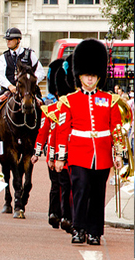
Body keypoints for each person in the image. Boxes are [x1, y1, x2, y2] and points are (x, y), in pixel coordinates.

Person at [55, 39, 124, 245]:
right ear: (80, 76)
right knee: (81, 189)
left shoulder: (110, 100)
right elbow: (62, 130)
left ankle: (95, 232)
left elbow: (117, 131)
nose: (90, 78)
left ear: (98, 76)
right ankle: (79, 228)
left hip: (101, 154)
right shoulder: (69, 101)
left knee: (97, 193)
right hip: (78, 153)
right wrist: (60, 156)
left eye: (93, 75)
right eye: (86, 75)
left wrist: (118, 154)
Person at [31, 57, 76, 233]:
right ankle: (54, 213)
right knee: (56, 185)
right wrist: (37, 153)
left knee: (65, 186)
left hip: (66, 153)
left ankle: (65, 215)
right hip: (54, 153)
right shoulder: (50, 110)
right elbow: (42, 132)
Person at [0, 27, 45, 105]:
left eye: (10, 39)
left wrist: (31, 83)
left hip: (29, 90)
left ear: (18, 40)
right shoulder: (3, 57)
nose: (8, 42)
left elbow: (40, 72)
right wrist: (10, 86)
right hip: (10, 90)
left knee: (43, 107)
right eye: (7, 40)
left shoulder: (30, 54)